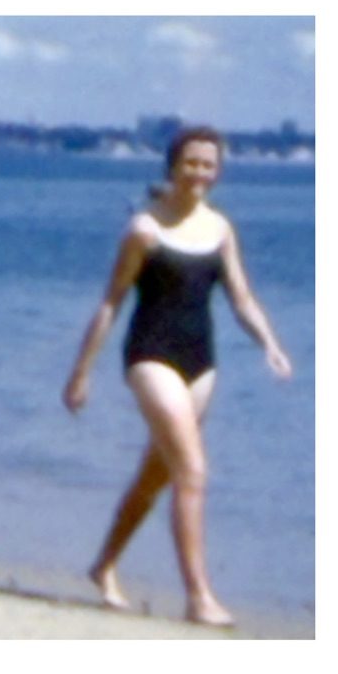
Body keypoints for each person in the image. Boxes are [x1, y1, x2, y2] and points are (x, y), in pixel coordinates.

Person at [62, 127, 291, 627]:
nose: (199, 173)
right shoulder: (145, 229)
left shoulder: (220, 229)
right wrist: (81, 372)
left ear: (218, 171)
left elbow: (241, 298)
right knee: (192, 470)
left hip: (201, 362)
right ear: (172, 166)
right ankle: (199, 596)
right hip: (151, 356)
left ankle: (103, 565)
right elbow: (110, 302)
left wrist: (270, 344)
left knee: (156, 475)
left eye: (208, 164)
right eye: (191, 163)